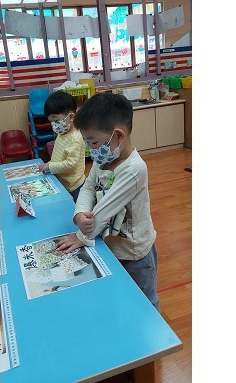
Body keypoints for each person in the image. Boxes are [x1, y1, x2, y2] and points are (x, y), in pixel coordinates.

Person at [55, 92, 159, 310]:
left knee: (145, 302)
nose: (91, 149)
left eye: (93, 142)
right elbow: (88, 187)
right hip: (110, 245)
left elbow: (106, 208)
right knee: (121, 298)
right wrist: (80, 214)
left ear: (118, 135)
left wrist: (81, 236)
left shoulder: (134, 169)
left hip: (134, 253)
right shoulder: (102, 158)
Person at [37, 91, 85, 202]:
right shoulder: (62, 133)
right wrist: (49, 163)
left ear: (71, 117)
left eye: (56, 120)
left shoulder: (75, 138)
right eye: (51, 121)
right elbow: (58, 157)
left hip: (74, 187)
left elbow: (70, 164)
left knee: (74, 209)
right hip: (62, 182)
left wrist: (50, 166)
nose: (53, 125)